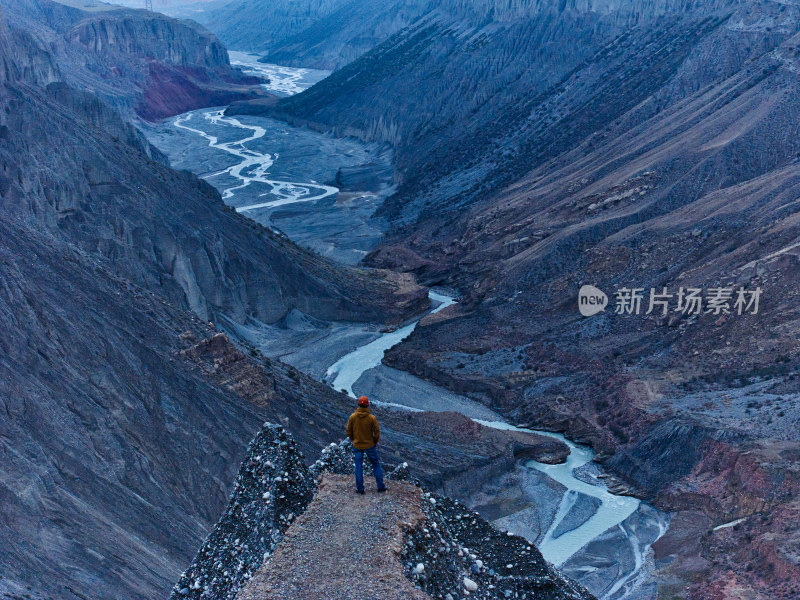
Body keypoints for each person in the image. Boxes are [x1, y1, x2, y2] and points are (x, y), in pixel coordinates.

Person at [345, 396, 386, 494]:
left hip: (357, 445)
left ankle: (360, 489)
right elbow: (377, 432)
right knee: (376, 464)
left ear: (359, 404)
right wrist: (374, 442)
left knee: (358, 466)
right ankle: (380, 486)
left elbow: (348, 431)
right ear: (367, 405)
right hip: (369, 445)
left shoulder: (353, 417)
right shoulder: (372, 418)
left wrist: (354, 439)